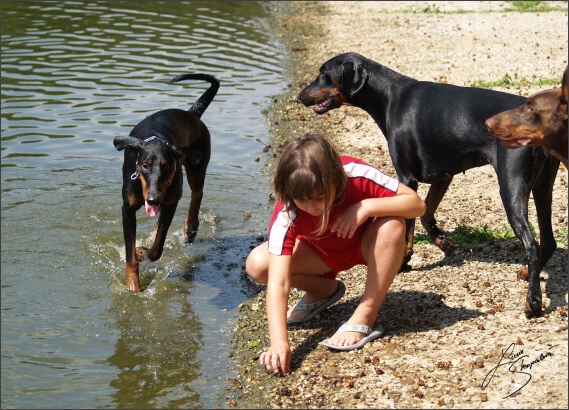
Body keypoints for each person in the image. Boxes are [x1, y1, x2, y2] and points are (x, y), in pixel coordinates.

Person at [246, 133, 425, 375]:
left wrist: (365, 207)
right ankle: (323, 291)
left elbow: (416, 204)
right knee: (258, 265)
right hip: (321, 255)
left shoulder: (354, 172)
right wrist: (279, 342)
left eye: (320, 198)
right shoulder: (287, 212)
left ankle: (366, 314)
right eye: (303, 200)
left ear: (336, 180)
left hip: (366, 245)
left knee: (393, 224)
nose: (312, 207)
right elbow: (278, 283)